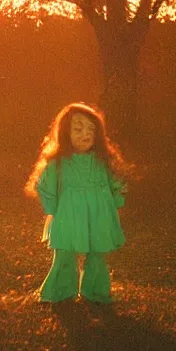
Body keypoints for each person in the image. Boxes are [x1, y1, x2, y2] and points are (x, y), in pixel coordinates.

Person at [25, 102, 130, 304]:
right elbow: (44, 185)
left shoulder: (102, 160)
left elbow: (116, 184)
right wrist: (53, 211)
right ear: (66, 133)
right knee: (64, 253)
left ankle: (96, 292)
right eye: (78, 129)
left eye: (91, 129)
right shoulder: (59, 162)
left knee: (97, 254)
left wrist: (115, 204)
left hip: (98, 215)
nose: (86, 134)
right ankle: (60, 293)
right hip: (69, 215)